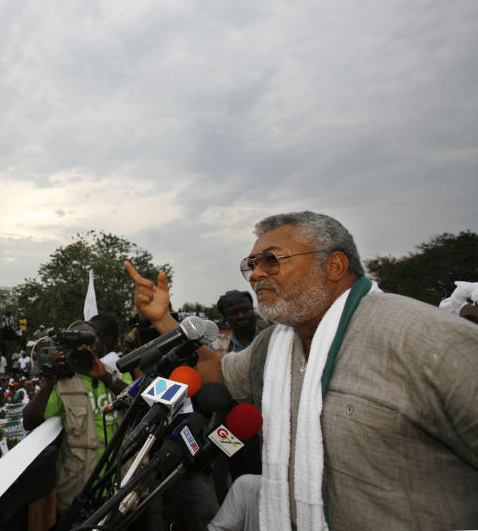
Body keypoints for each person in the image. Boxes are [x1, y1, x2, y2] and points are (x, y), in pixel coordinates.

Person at [126, 210, 478, 530]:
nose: (257, 274)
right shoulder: (275, 345)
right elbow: (218, 374)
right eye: (251, 265)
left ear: (334, 266)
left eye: (272, 260)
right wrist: (163, 319)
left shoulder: (429, 340)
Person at [21, 322, 129, 514]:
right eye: (78, 346)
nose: (85, 349)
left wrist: (105, 377)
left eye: (89, 342)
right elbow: (29, 420)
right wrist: (50, 382)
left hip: (119, 486)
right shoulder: (63, 384)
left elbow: (140, 403)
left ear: (98, 345)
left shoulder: (116, 372)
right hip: (80, 492)